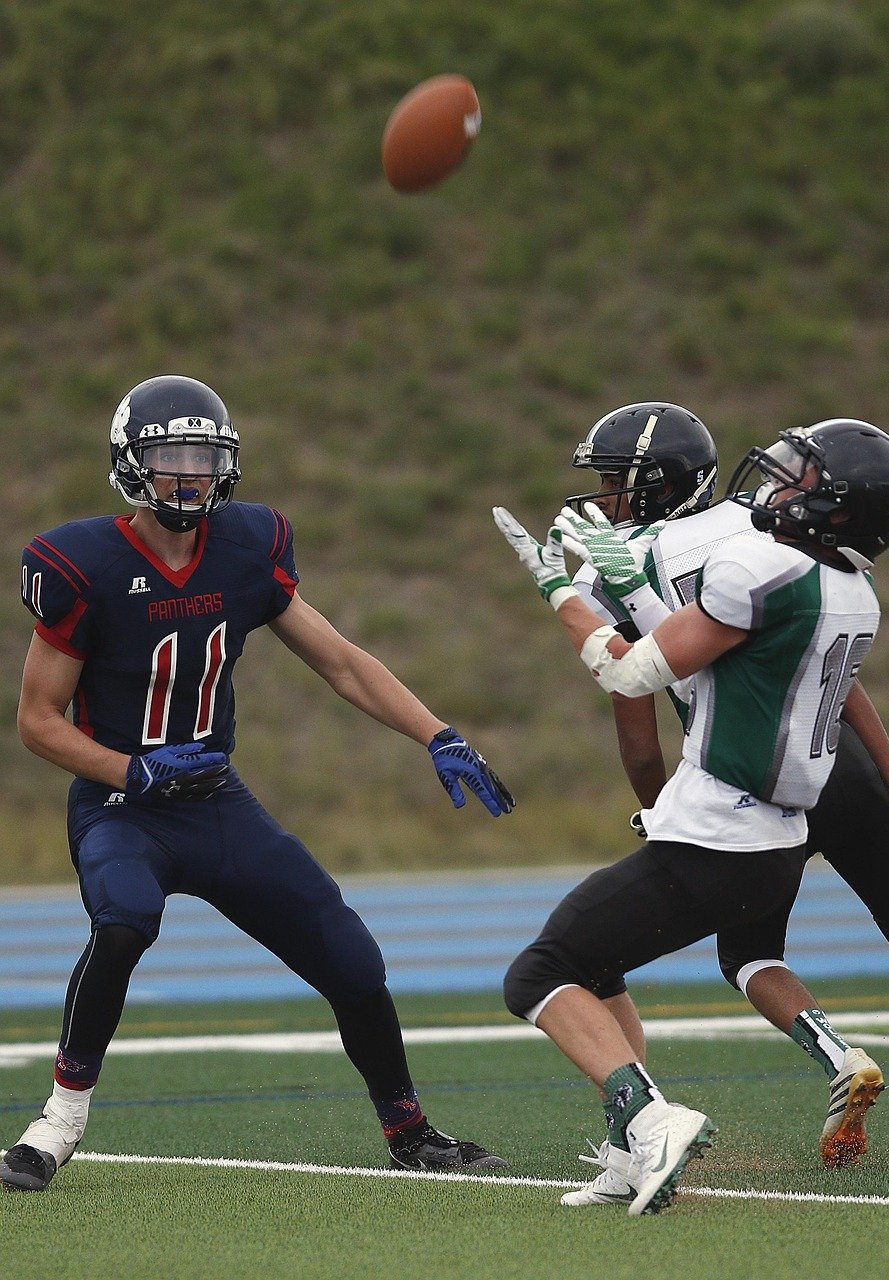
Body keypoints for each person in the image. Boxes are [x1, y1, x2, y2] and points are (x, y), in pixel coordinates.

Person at [0, 374, 514, 1194]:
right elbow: (38, 721)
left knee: (353, 960)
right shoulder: (80, 561)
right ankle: (56, 1125)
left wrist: (437, 733)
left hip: (214, 801)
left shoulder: (248, 544)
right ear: (132, 466)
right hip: (123, 806)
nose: (188, 473)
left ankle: (408, 1129)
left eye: (202, 453)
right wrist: (132, 768)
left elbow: (341, 661)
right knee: (126, 920)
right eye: (169, 455)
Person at [551, 404, 889, 1195]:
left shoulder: (619, 567)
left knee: (748, 951)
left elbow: (639, 716)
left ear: (653, 486)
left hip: (743, 782)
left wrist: (667, 810)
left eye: (616, 483)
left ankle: (840, 1057)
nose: (606, 498)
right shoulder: (772, 538)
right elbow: (838, 678)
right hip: (836, 758)